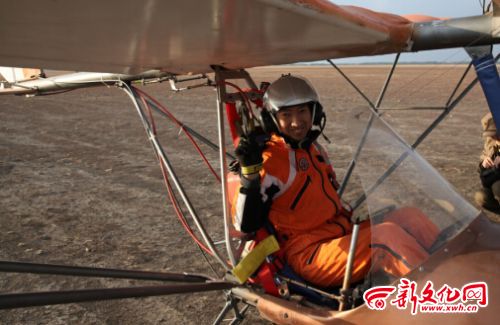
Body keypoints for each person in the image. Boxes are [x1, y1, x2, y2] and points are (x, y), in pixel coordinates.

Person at [232, 74, 439, 288]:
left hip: (342, 232)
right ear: (272, 119)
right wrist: (250, 175)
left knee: (411, 217)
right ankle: (440, 296)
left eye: (302, 111)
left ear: (315, 112)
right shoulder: (271, 161)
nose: (296, 122)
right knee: (386, 238)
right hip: (310, 253)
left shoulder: (313, 149)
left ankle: (459, 267)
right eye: (286, 114)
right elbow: (245, 224)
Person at [475, 112, 500, 213]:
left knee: (497, 187)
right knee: (481, 196)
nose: (493, 138)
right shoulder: (491, 142)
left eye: (495, 135)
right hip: (494, 178)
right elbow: (482, 162)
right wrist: (483, 163)